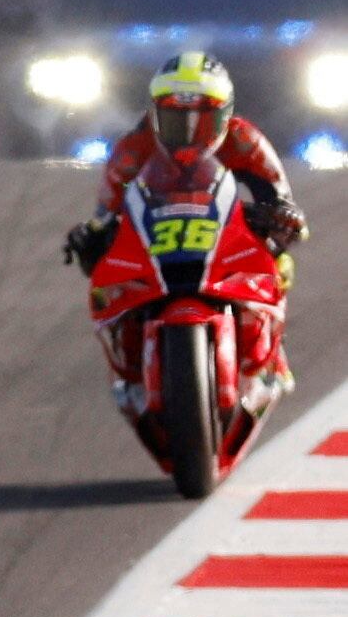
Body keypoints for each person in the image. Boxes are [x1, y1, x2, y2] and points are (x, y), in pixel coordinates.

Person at [63, 50, 305, 411]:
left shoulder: (244, 141)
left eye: (203, 118)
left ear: (225, 114)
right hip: (157, 231)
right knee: (100, 270)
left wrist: (282, 219)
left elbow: (282, 200)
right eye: (177, 118)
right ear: (155, 114)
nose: (190, 131)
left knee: (280, 259)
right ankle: (128, 368)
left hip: (222, 229)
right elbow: (104, 213)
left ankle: (270, 355)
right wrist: (91, 236)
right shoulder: (134, 148)